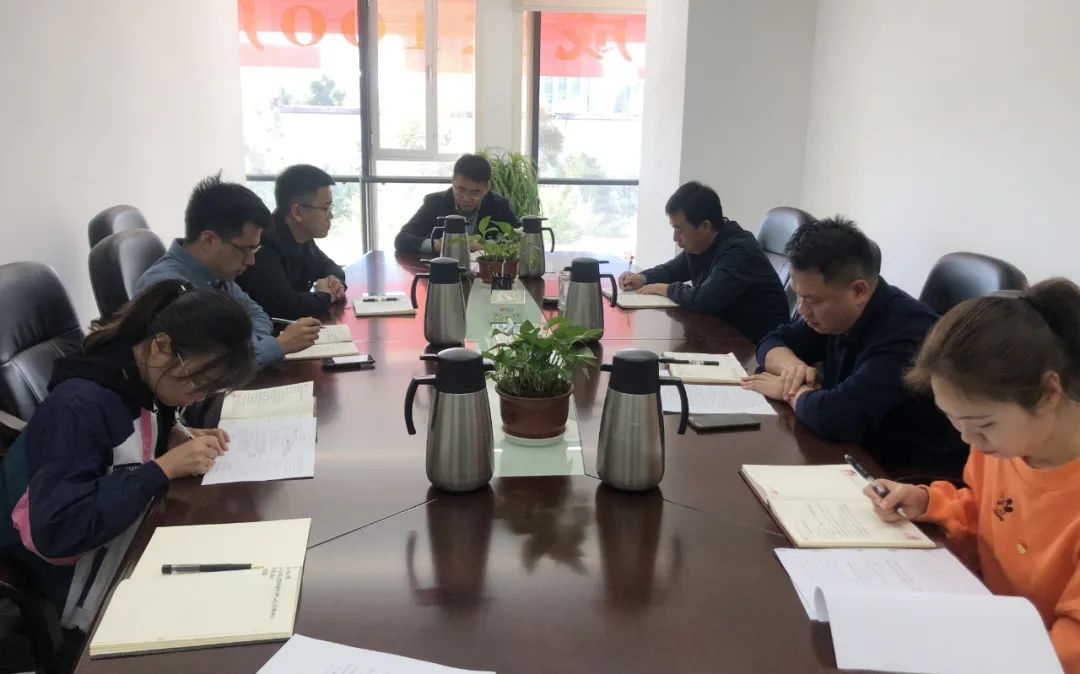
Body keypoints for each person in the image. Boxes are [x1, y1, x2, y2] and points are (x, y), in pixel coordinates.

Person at [0, 281, 257, 631]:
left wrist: (173, 434)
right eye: (197, 384)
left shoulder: (139, 374)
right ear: (161, 346)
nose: (197, 398)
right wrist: (161, 469)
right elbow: (58, 530)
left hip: (128, 530)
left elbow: (134, 439)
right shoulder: (79, 407)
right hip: (80, 571)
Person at [864, 279, 1080, 671]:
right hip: (985, 624)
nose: (968, 439)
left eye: (982, 424)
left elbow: (1071, 649)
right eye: (954, 421)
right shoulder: (1002, 446)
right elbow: (988, 511)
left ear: (1049, 393)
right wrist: (929, 501)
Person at [743, 216, 965, 475]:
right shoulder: (835, 311)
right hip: (852, 453)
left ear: (858, 291)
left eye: (812, 300)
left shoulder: (908, 334)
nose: (802, 310)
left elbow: (836, 417)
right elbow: (772, 341)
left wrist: (790, 391)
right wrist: (792, 369)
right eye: (799, 296)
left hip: (906, 476)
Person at [135, 173, 320, 365]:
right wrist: (277, 346)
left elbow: (256, 313)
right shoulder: (167, 288)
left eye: (255, 250)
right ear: (209, 240)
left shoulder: (215, 273)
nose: (251, 261)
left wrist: (249, 347)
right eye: (246, 250)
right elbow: (205, 367)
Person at [617, 181, 789, 342]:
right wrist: (643, 278)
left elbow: (704, 299)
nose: (675, 238)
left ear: (705, 227)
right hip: (722, 334)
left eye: (679, 230)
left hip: (756, 346)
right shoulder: (701, 244)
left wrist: (664, 289)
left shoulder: (739, 251)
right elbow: (673, 269)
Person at [236, 164, 347, 320]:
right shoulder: (263, 244)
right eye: (326, 208)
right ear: (297, 212)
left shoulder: (302, 237)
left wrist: (334, 282)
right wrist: (326, 296)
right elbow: (285, 306)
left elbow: (330, 267)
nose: (331, 216)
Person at [393, 153, 518, 254]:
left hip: (485, 273)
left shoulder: (499, 205)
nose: (466, 198)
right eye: (461, 189)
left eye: (475, 192)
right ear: (453, 180)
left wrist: (486, 245)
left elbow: (518, 238)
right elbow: (402, 239)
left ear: (487, 188)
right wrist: (437, 245)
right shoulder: (434, 202)